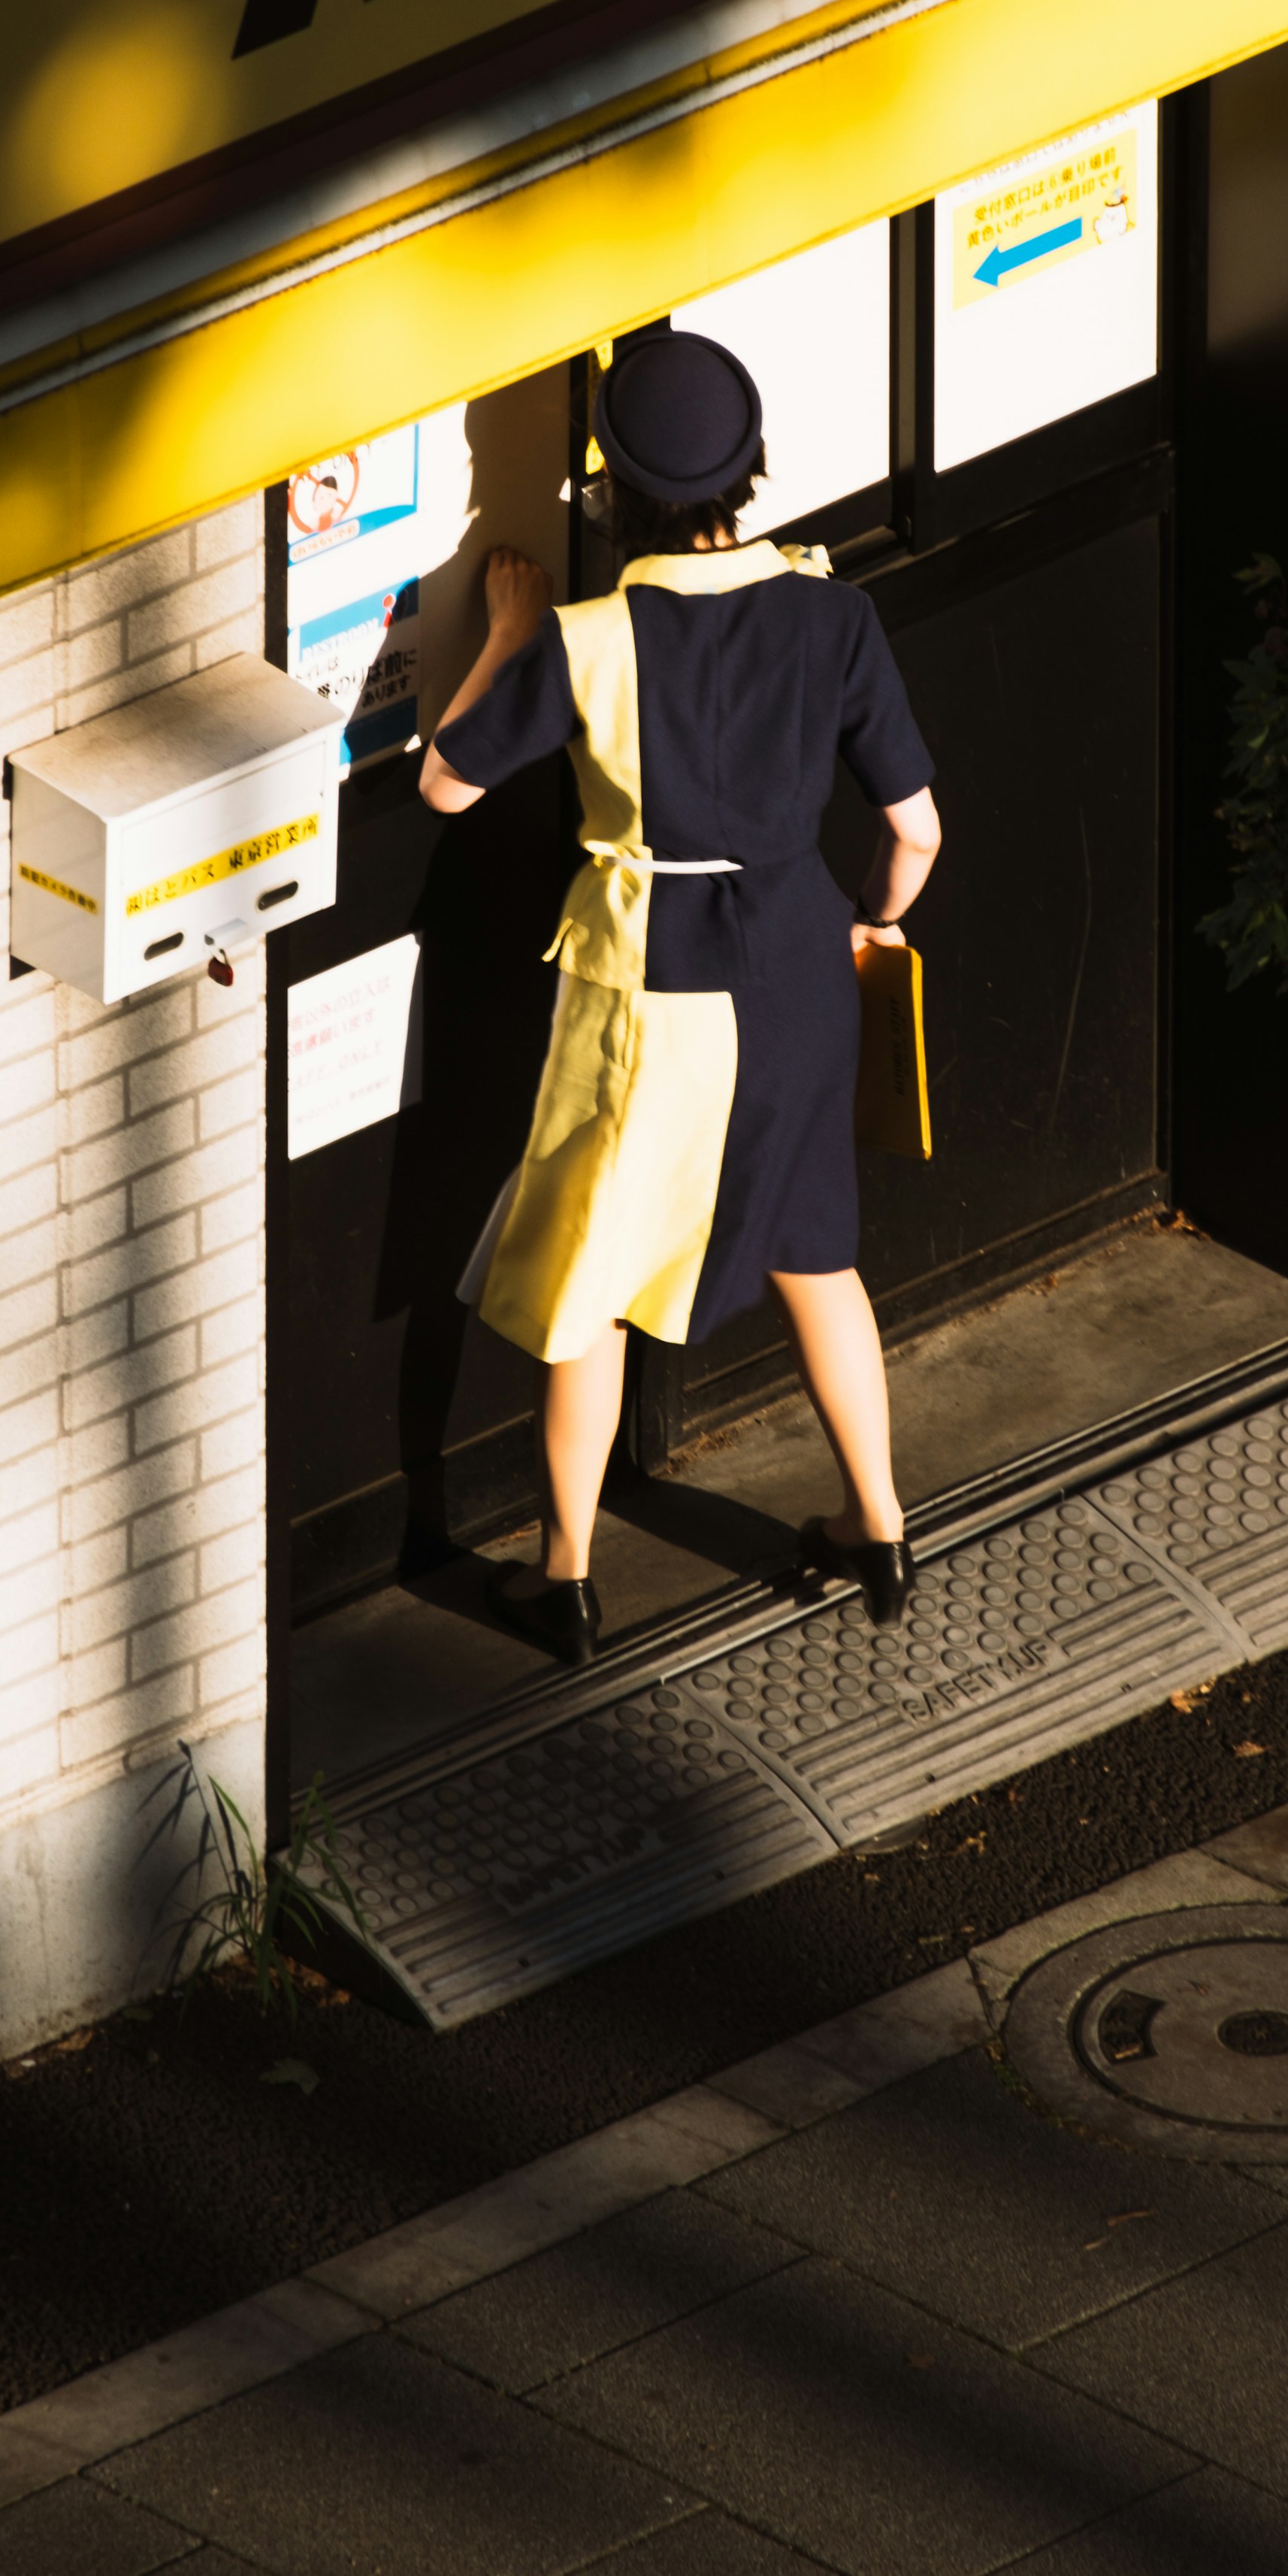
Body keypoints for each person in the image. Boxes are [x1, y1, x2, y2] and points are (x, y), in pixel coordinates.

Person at [419, 328, 942, 1669]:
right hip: (801, 967)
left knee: (585, 1281)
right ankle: (879, 1528)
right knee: (816, 1252)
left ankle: (568, 1576)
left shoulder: (590, 639)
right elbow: (917, 829)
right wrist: (874, 922)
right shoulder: (835, 611)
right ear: (752, 467)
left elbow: (445, 786)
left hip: (651, 988)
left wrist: (511, 636)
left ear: (614, 486)